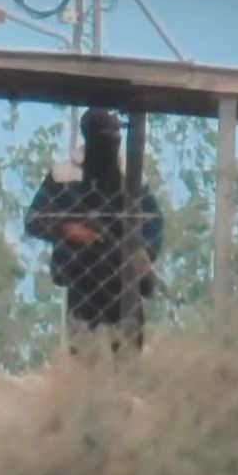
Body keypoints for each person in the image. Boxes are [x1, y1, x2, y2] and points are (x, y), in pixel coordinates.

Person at [25, 108, 164, 354]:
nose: (112, 141)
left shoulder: (130, 176)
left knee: (127, 353)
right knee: (83, 354)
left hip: (124, 280)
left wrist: (145, 252)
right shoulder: (64, 174)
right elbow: (34, 220)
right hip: (81, 278)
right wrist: (66, 228)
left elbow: (154, 221)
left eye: (116, 135)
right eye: (106, 135)